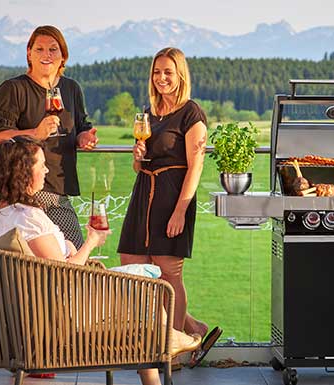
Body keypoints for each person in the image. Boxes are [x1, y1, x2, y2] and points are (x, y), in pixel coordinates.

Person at [0, 136, 200, 385]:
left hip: (37, 307)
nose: (47, 170)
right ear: (23, 172)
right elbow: (64, 271)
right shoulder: (28, 218)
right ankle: (168, 342)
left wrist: (68, 246)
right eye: (41, 164)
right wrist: (91, 241)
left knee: (140, 280)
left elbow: (45, 263)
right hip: (66, 311)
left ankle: (161, 351)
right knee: (148, 286)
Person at [117, 47, 221, 367]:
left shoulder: (191, 113)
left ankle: (171, 349)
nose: (161, 78)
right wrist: (137, 158)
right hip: (144, 191)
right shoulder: (149, 113)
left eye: (168, 73)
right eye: (157, 72)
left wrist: (180, 211)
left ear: (180, 76)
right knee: (132, 264)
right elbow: (141, 165)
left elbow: (196, 166)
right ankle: (196, 330)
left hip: (173, 197)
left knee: (169, 272)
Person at [0, 25, 99, 250]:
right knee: (69, 263)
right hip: (22, 195)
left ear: (63, 55)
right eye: (40, 49)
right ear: (28, 53)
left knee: (71, 257)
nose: (47, 55)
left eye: (53, 49)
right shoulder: (13, 89)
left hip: (59, 193)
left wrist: (84, 137)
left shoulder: (71, 89)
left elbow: (82, 126)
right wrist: (34, 133)